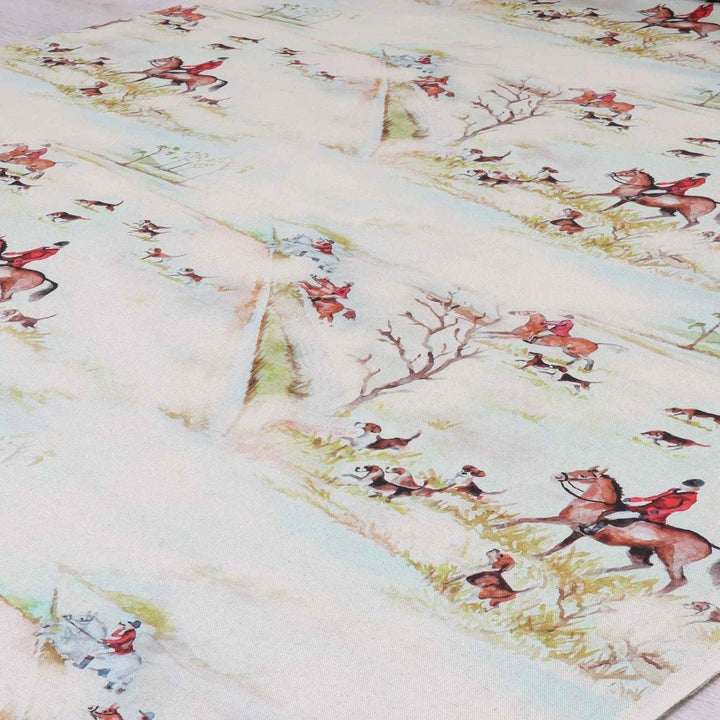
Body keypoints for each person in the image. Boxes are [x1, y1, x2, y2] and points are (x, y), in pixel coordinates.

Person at [581, 479, 705, 534]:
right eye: (683, 484)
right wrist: (633, 500)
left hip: (655, 514)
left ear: (695, 489)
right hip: (646, 507)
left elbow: (680, 509)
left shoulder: (691, 498)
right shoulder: (673, 490)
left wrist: (659, 512)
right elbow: (652, 498)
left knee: (616, 515)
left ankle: (593, 530)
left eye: (686, 486)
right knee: (617, 508)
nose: (682, 486)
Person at [1, 241, 69, 268]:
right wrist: (12, 253)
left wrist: (24, 261)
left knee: (8, 266)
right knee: (3, 258)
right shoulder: (44, 247)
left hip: (24, 260)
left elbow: (39, 258)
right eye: (55, 244)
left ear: (60, 247)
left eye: (57, 246)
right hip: (22, 256)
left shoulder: (52, 252)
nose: (54, 246)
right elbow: (29, 251)